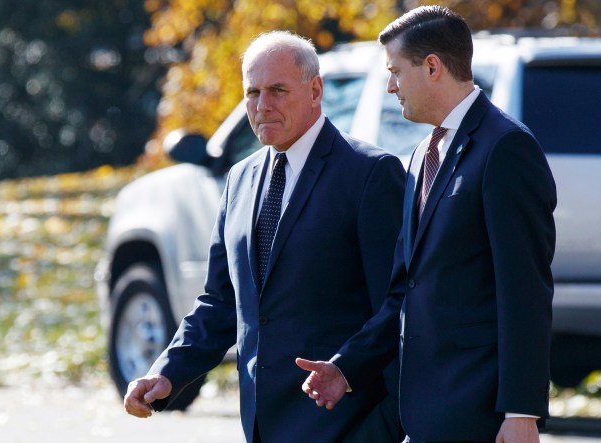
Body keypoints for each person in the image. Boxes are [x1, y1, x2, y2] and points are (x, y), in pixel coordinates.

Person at [123, 31, 406, 443]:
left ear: (316, 90)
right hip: (262, 426)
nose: (262, 105)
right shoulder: (239, 178)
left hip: (348, 424)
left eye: (277, 90)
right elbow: (221, 302)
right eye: (252, 92)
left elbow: (396, 306)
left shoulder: (370, 174)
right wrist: (167, 373)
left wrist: (382, 423)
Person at [296, 5, 557, 443]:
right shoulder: (421, 156)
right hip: (423, 413)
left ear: (432, 66)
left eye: (396, 71)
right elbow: (405, 289)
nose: (390, 85)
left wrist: (521, 411)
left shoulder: (507, 148)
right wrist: (347, 366)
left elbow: (525, 291)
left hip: (481, 414)